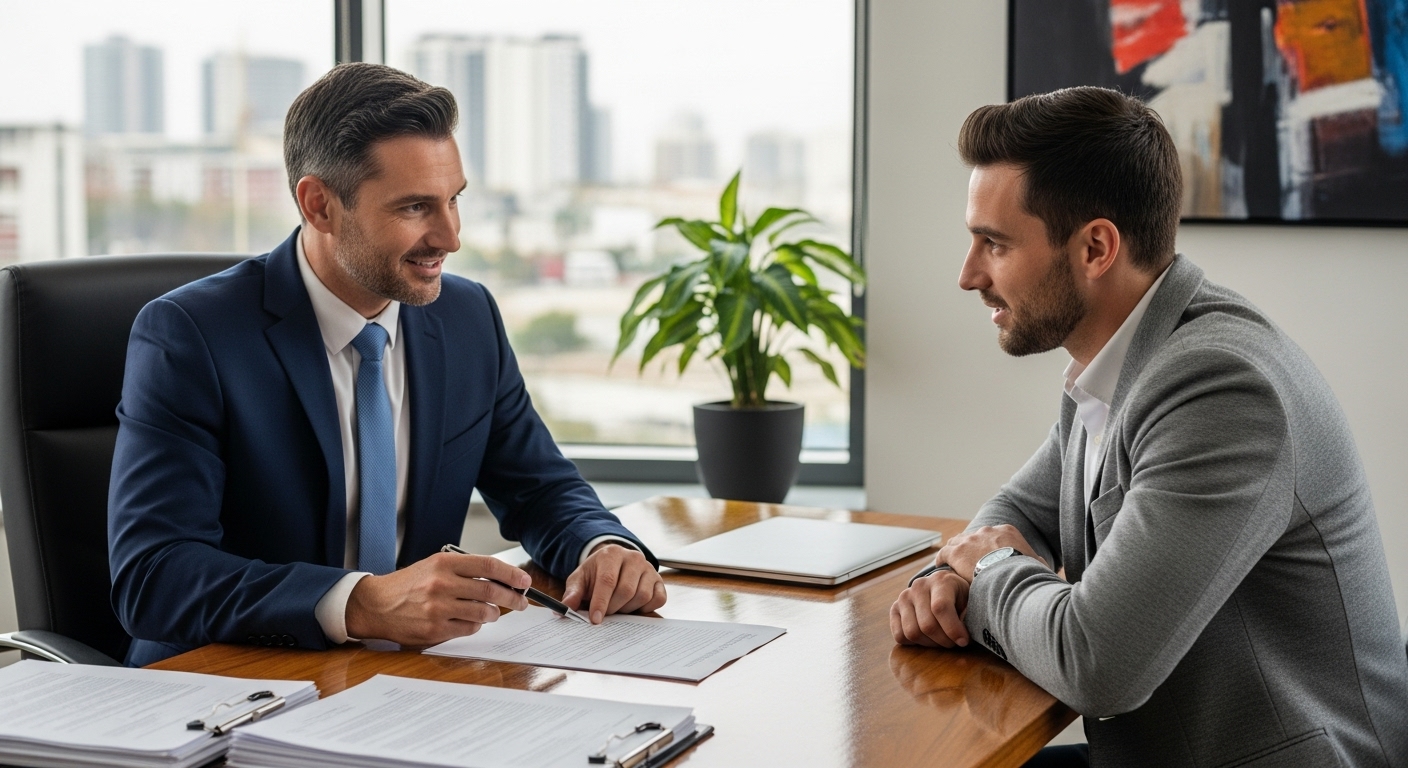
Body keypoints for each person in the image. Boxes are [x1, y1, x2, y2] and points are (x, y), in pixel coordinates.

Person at [890, 87, 1408, 767]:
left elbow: (1096, 661)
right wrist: (951, 575)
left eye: (994, 244)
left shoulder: (1219, 388)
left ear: (1096, 247)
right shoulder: (1119, 363)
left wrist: (984, 570)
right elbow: (1016, 511)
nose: (968, 275)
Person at [108, 63, 666, 667]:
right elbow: (154, 576)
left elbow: (541, 487)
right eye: (414, 208)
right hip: (231, 687)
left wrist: (602, 546)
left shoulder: (468, 317)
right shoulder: (191, 336)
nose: (450, 237)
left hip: (405, 680)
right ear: (319, 205)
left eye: (454, 200)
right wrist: (362, 604)